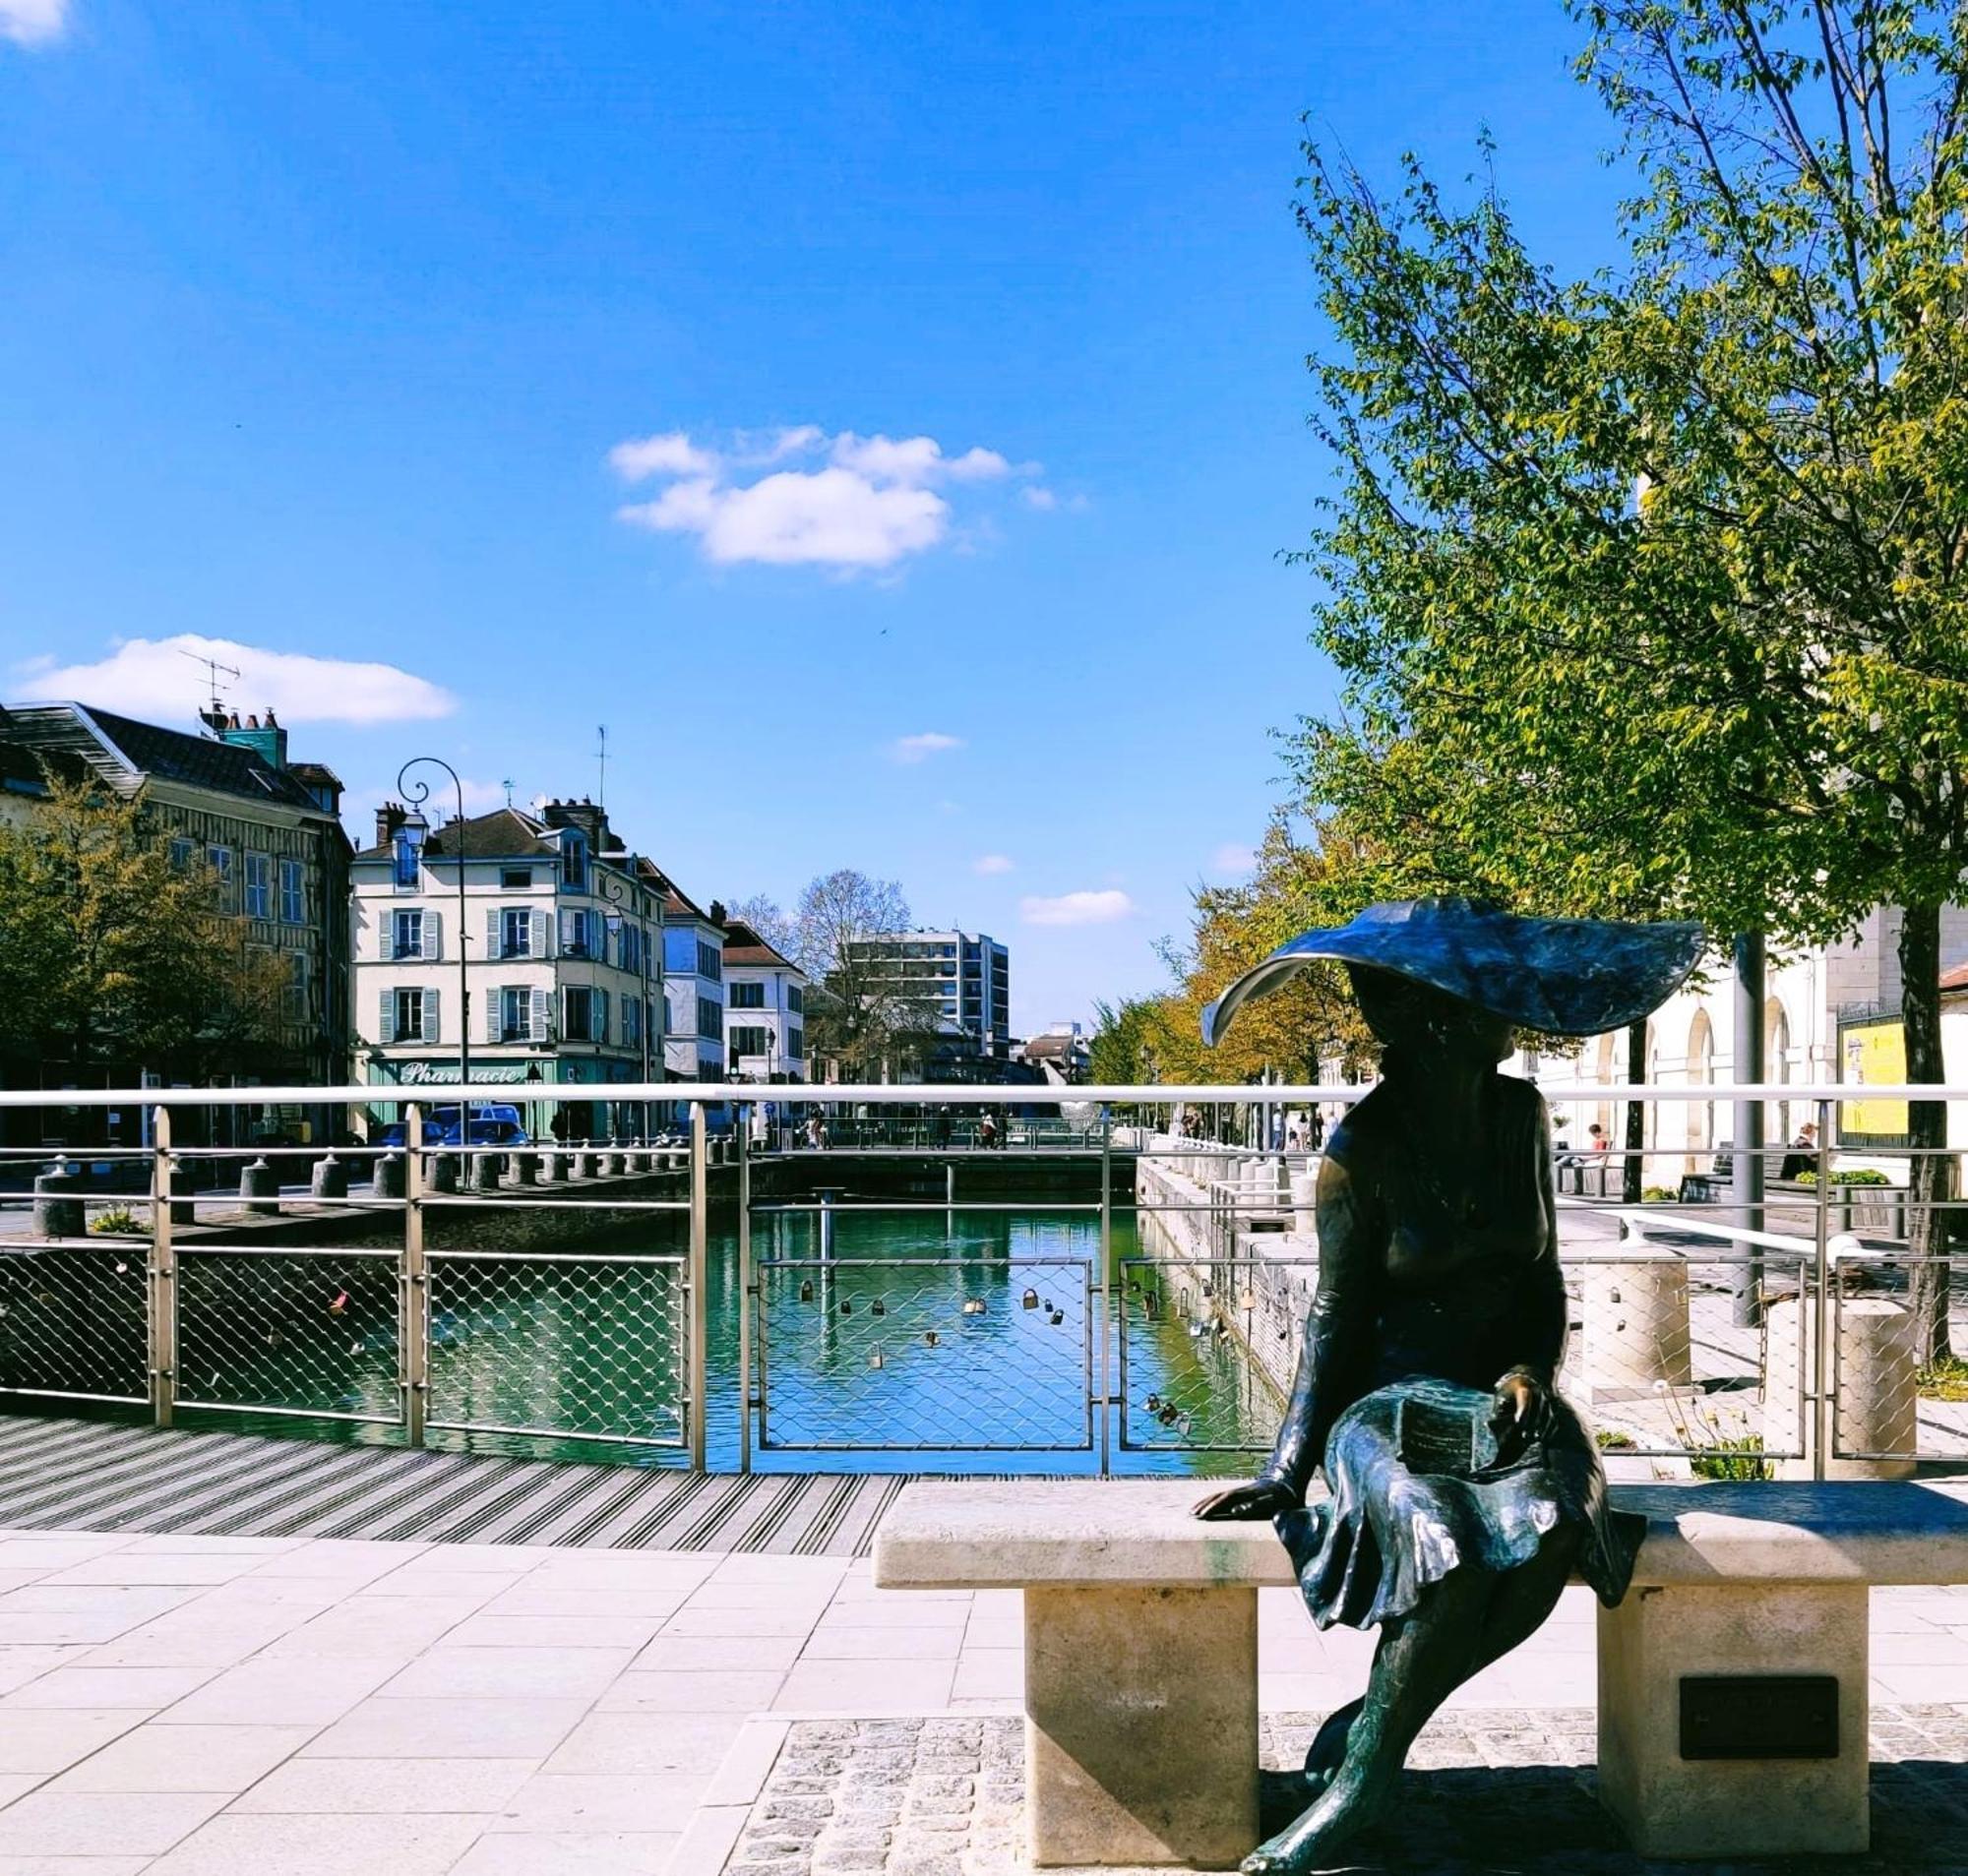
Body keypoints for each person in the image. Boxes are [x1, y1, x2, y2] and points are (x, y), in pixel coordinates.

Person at [1192, 897, 1702, 1873]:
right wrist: (1287, 1468)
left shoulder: (1519, 1114)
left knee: (1555, 1523)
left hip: (1503, 1394)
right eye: (1486, 1002)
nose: (1507, 1020)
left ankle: (1375, 1724)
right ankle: (1360, 1784)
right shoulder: (1356, 1155)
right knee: (1439, 1534)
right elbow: (1332, 1323)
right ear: (1437, 1021)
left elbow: (1541, 1277)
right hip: (1385, 1403)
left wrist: (1526, 1372)